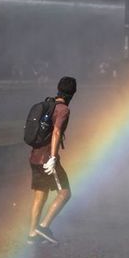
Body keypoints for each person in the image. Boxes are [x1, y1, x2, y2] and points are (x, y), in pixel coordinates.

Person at [28, 76, 77, 245]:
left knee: (39, 196)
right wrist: (54, 158)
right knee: (65, 193)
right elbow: (56, 132)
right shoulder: (63, 110)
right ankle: (43, 226)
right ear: (73, 93)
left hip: (35, 156)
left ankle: (32, 235)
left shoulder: (48, 104)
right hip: (48, 160)